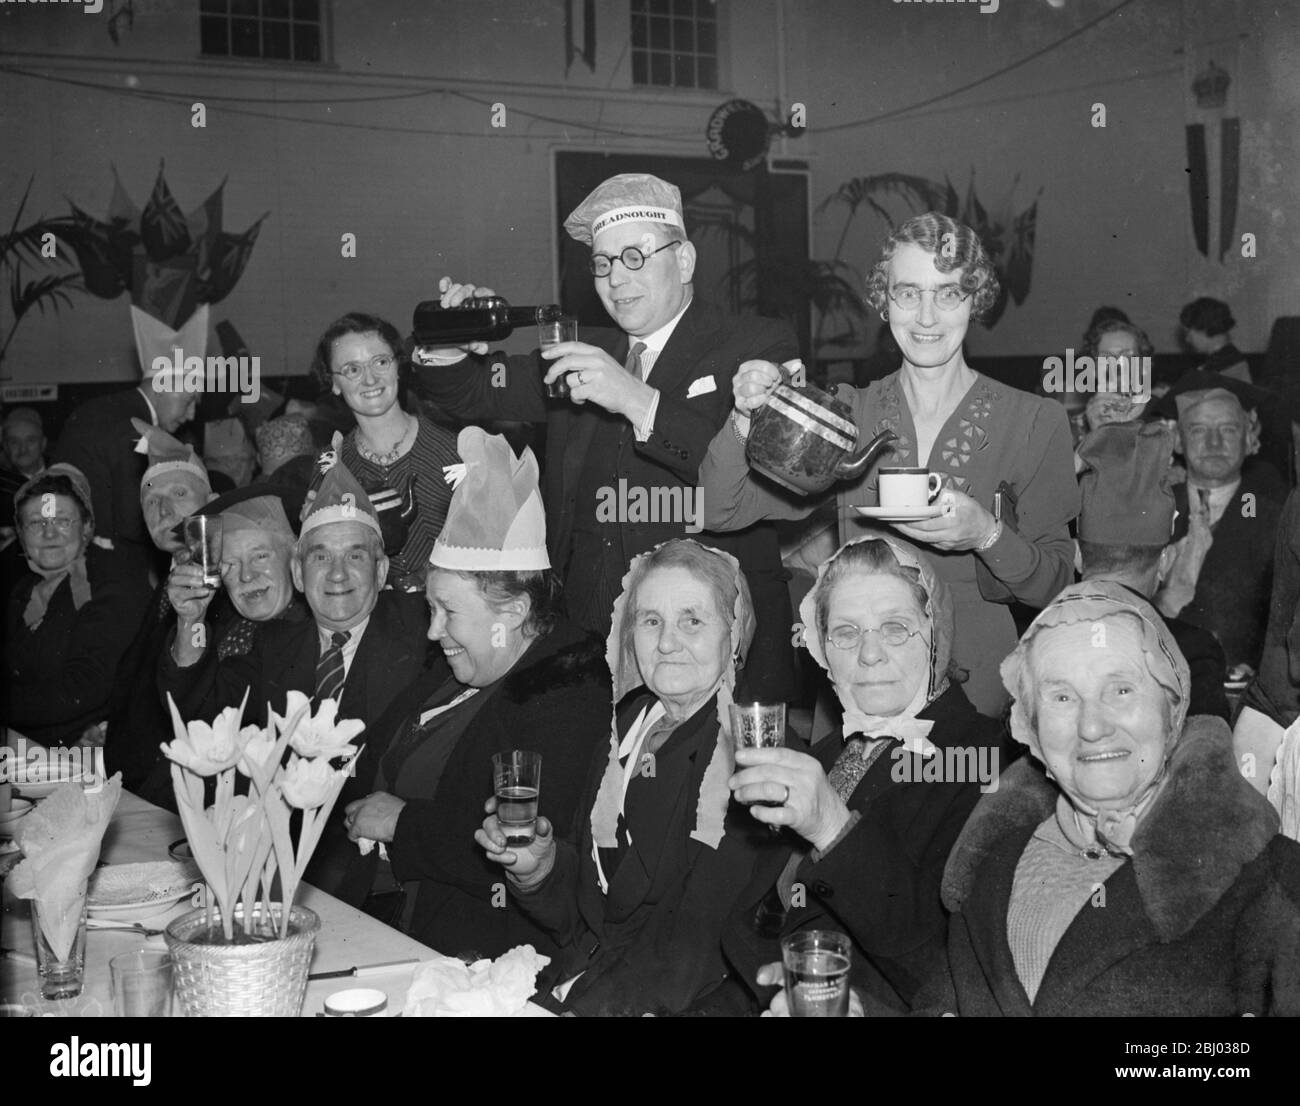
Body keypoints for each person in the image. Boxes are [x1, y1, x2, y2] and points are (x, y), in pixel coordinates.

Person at [419, 172, 799, 700]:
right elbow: (473, 393)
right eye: (603, 264)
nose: (617, 279)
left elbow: (769, 469)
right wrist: (450, 339)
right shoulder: (581, 350)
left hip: (707, 645)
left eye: (636, 256)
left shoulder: (754, 342)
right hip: (588, 642)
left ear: (684, 260)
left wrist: (636, 398)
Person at [701, 211, 1079, 716]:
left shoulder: (1035, 421)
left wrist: (987, 535)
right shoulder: (846, 414)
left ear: (976, 300)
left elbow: (1055, 585)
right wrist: (748, 418)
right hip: (861, 681)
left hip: (979, 700)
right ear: (884, 300)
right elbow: (719, 511)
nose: (926, 317)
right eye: (908, 292)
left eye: (948, 293)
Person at [905, 581, 1300, 1016]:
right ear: (1030, 729)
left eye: (1121, 690)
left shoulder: (1273, 882)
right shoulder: (987, 863)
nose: (1092, 726)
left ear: (1173, 709)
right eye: (1061, 697)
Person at [475, 539, 790, 1015]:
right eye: (650, 621)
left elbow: (693, 952)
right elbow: (588, 915)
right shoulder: (625, 726)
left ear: (735, 635)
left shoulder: (755, 755)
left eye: (693, 620)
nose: (666, 642)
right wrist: (539, 871)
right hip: (580, 983)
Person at [340, 428, 609, 949]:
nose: (433, 631)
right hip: (384, 915)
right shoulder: (460, 665)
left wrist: (404, 825)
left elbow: (529, 844)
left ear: (513, 611)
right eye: (431, 609)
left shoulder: (570, 688)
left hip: (480, 946)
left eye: (449, 612)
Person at [724, 536, 1003, 1015]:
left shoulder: (989, 759)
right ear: (821, 647)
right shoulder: (832, 751)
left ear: (937, 635)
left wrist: (832, 825)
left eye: (895, 628)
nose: (868, 654)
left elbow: (946, 970)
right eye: (847, 633)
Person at [159, 452, 433, 893]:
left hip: (388, 881)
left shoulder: (425, 637)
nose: (338, 573)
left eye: (356, 556)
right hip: (288, 869)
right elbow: (201, 718)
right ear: (299, 575)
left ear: (381, 571)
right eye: (321, 557)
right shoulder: (275, 646)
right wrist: (191, 622)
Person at [102, 421, 223, 807]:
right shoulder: (163, 587)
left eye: (180, 493)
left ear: (215, 501)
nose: (164, 508)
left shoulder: (233, 590)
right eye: (151, 501)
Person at [1076, 421, 1229, 721]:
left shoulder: (1039, 638)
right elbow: (1206, 758)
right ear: (1165, 562)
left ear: (1079, 557)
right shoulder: (1191, 652)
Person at [2, 464, 151, 748]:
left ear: (86, 527)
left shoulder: (112, 583)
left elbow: (86, 686)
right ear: (21, 534)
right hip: (29, 745)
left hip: (83, 753)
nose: (49, 534)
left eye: (62, 521)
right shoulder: (25, 589)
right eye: (36, 523)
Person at [314, 312, 459, 592]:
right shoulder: (331, 466)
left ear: (398, 367)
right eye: (352, 369)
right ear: (333, 382)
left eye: (380, 362)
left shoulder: (454, 450)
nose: (370, 379)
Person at [52, 306, 205, 555]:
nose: (191, 416)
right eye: (189, 401)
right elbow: (131, 520)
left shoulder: (108, 409)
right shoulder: (133, 428)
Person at [1152, 384, 1283, 673]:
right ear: (1177, 440)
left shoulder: (1276, 518)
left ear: (1250, 439)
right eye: (1198, 430)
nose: (1213, 444)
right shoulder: (1146, 510)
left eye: (1228, 430)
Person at [161, 484, 309, 721]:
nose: (246, 576)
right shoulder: (221, 622)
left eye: (260, 556)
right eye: (230, 564)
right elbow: (192, 704)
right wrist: (192, 621)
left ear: (293, 559)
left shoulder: (310, 632)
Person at [1180, 296, 1250, 382]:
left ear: (1203, 329)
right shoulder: (1234, 359)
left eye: (1188, 333)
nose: (1187, 339)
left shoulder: (1221, 368)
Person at [2, 407, 47, 479]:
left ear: (43, 443)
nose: (23, 449)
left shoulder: (66, 475)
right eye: (14, 442)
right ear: (6, 447)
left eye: (30, 441)